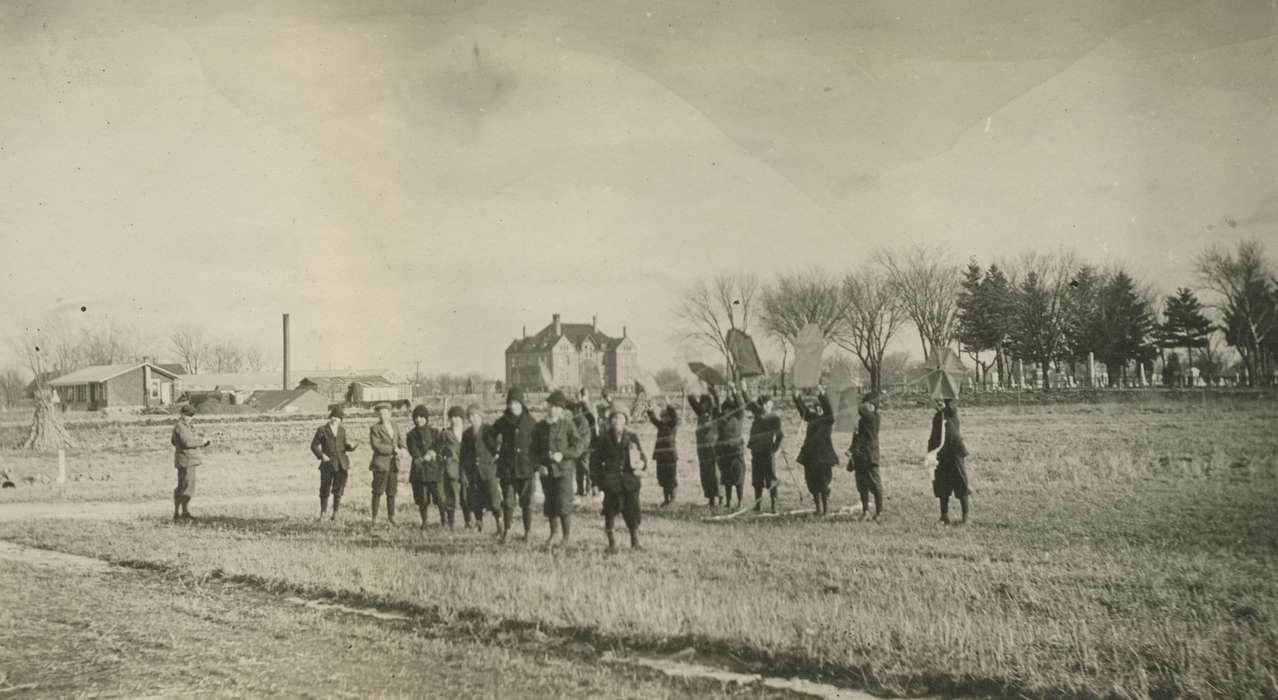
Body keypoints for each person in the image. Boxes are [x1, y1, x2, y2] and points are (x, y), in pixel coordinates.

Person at [590, 408, 649, 553]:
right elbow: (594, 462)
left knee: (632, 512)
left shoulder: (632, 437)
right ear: (610, 421)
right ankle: (612, 544)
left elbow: (642, 457)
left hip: (629, 482)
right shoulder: (604, 438)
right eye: (615, 418)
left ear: (626, 421)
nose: (618, 421)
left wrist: (642, 464)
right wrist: (595, 483)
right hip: (611, 482)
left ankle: (635, 542)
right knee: (610, 512)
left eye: (621, 418)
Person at [533, 390, 585, 548]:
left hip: (564, 471)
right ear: (547, 406)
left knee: (563, 504)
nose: (553, 410)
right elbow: (533, 451)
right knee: (550, 504)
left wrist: (563, 455)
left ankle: (566, 537)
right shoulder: (539, 427)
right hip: (546, 472)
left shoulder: (567, 425)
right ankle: (553, 533)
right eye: (551, 406)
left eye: (557, 407)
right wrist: (538, 466)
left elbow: (579, 446)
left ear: (562, 410)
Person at [491, 387, 538, 542]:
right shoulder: (503, 421)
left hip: (526, 468)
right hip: (508, 469)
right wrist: (495, 451)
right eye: (511, 403)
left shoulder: (531, 422)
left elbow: (538, 444)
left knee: (527, 502)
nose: (513, 406)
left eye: (517, 403)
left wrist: (536, 464)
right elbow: (489, 435)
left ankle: (528, 531)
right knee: (508, 501)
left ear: (522, 403)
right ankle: (507, 530)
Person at [461, 404, 503, 535]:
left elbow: (497, 446)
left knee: (494, 499)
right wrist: (465, 470)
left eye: (475, 416)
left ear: (480, 416)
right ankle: (479, 525)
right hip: (473, 472)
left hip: (488, 471)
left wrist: (495, 456)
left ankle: (500, 525)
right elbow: (464, 454)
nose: (472, 419)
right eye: (470, 416)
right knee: (476, 500)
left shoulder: (488, 430)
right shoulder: (467, 434)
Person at [310, 405, 358, 521]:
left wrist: (350, 447)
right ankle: (323, 513)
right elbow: (314, 446)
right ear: (330, 417)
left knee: (339, 489)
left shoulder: (342, 430)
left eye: (338, 418)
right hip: (327, 464)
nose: (336, 419)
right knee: (325, 489)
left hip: (341, 464)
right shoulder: (322, 430)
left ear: (341, 420)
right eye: (334, 417)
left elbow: (343, 445)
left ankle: (335, 513)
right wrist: (322, 456)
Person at [794, 387, 837, 516]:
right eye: (815, 407)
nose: (817, 409)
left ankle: (825, 510)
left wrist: (822, 394)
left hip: (823, 457)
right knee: (812, 483)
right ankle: (818, 509)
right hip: (810, 456)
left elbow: (829, 409)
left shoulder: (828, 419)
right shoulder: (811, 418)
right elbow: (802, 410)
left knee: (823, 483)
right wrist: (797, 397)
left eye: (820, 407)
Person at [928, 398, 970, 524]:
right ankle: (944, 516)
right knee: (942, 486)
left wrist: (945, 406)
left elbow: (952, 406)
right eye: (936, 402)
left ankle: (965, 516)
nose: (938, 404)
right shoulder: (937, 418)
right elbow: (934, 437)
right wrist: (930, 454)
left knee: (960, 484)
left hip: (954, 453)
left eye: (941, 402)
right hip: (941, 455)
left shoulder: (951, 412)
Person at [745, 389, 784, 513]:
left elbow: (780, 435)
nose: (765, 406)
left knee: (771, 479)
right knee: (757, 479)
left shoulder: (774, 418)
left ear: (771, 404)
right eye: (763, 404)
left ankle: (774, 506)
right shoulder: (758, 413)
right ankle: (758, 505)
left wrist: (775, 449)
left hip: (768, 452)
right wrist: (743, 387)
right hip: (756, 451)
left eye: (767, 403)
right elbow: (748, 401)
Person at [170, 405, 210, 522]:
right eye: (187, 415)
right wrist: (201, 442)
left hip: (184, 460)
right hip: (188, 461)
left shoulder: (183, 426)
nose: (189, 418)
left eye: (191, 416)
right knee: (187, 488)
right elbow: (187, 442)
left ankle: (179, 513)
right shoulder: (181, 427)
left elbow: (173, 441)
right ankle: (183, 513)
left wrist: (202, 442)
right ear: (182, 414)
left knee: (182, 487)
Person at [368, 402, 406, 525]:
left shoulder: (395, 426)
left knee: (392, 491)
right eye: (381, 413)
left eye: (385, 413)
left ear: (390, 414)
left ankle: (391, 516)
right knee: (377, 491)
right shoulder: (375, 428)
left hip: (393, 464)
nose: (383, 415)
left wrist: (403, 449)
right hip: (380, 464)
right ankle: (375, 517)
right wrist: (393, 449)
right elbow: (376, 446)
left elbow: (400, 440)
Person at [847, 392, 883, 520]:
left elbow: (860, 408)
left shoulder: (873, 418)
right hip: (859, 458)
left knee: (875, 485)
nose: (865, 407)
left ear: (873, 407)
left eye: (868, 405)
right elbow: (856, 439)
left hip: (870, 457)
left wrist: (864, 403)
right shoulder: (861, 421)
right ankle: (865, 512)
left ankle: (879, 513)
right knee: (862, 486)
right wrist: (851, 450)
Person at [432, 405, 466, 529]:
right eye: (452, 417)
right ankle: (448, 521)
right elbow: (438, 448)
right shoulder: (445, 434)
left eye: (457, 417)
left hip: (464, 468)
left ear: (462, 419)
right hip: (449, 468)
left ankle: (469, 522)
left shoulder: (466, 433)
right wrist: (444, 456)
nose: (454, 420)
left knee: (465, 496)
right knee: (447, 495)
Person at [713, 385, 746, 510]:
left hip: (736, 450)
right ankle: (728, 501)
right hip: (723, 452)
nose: (727, 411)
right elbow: (716, 409)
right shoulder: (721, 419)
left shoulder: (739, 417)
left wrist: (734, 390)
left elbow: (741, 406)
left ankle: (740, 501)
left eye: (729, 409)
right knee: (726, 478)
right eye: (725, 409)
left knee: (738, 476)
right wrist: (716, 394)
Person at [406, 405, 438, 529]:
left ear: (426, 418)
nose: (418, 420)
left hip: (433, 469)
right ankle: (425, 521)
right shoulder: (411, 435)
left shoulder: (434, 432)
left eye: (421, 417)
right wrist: (421, 457)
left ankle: (444, 520)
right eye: (416, 417)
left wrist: (433, 453)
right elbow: (413, 450)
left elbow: (438, 445)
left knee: (439, 497)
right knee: (422, 498)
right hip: (419, 470)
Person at [645, 399, 680, 506]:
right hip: (661, 456)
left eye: (666, 416)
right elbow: (653, 419)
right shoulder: (660, 425)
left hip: (670, 456)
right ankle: (666, 499)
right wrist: (650, 410)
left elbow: (674, 415)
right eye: (663, 417)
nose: (664, 419)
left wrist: (669, 405)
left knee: (671, 478)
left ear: (670, 417)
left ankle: (672, 500)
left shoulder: (673, 425)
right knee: (663, 478)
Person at [688, 391, 720, 507]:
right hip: (702, 449)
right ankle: (710, 499)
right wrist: (689, 387)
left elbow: (717, 402)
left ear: (709, 403)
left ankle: (720, 498)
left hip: (713, 448)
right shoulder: (700, 413)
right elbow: (692, 401)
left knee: (715, 473)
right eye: (701, 403)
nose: (702, 405)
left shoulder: (715, 414)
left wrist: (712, 389)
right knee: (705, 474)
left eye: (705, 403)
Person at [571, 394, 598, 497]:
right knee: (580, 468)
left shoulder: (581, 419)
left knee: (584, 468)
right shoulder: (580, 418)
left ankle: (587, 489)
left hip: (585, 447)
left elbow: (578, 434)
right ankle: (581, 490)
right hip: (582, 447)